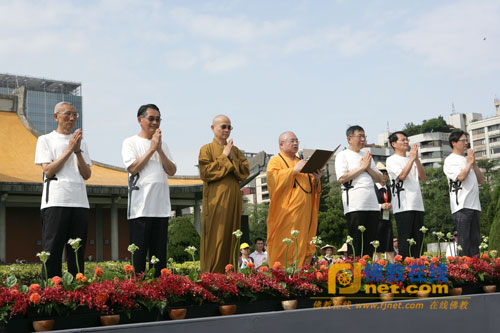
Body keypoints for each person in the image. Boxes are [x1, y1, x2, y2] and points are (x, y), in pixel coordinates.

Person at [34, 102, 91, 278]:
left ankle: (77, 293)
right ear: (56, 116)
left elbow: (87, 173)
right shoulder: (45, 140)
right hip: (56, 201)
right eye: (67, 114)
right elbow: (49, 170)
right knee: (52, 250)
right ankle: (51, 293)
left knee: (77, 252)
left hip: (80, 201)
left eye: (75, 115)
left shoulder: (81, 143)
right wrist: (69, 149)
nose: (72, 118)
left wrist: (78, 151)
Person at [122, 104, 176, 276]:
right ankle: (138, 293)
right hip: (140, 209)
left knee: (159, 258)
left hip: (160, 209)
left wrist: (159, 149)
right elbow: (133, 167)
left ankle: (159, 293)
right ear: (140, 120)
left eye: (158, 119)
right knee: (138, 258)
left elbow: (172, 170)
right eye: (151, 118)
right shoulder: (130, 142)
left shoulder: (164, 145)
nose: (155, 122)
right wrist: (151, 148)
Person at [198, 115, 250, 273]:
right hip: (216, 202)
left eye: (229, 127)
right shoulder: (206, 149)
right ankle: (211, 275)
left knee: (232, 237)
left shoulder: (236, 151)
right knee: (217, 238)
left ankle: (230, 275)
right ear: (213, 128)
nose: (227, 130)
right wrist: (224, 156)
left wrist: (232, 157)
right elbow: (205, 172)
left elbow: (244, 172)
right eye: (223, 127)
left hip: (233, 201)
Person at [266, 131, 321, 268]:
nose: (295, 143)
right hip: (286, 213)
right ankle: (282, 273)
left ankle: (300, 274)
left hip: (304, 213)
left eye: (297, 141)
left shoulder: (301, 162)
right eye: (292, 141)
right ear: (281, 144)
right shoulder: (275, 161)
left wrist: (317, 180)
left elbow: (311, 188)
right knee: (285, 242)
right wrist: (293, 171)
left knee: (302, 241)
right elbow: (273, 180)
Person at [335, 125, 383, 257]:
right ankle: (354, 270)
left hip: (372, 205)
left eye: (364, 136)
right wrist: (362, 168)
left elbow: (380, 178)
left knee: (370, 241)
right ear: (349, 139)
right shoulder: (342, 155)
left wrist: (368, 168)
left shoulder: (366, 156)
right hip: (355, 205)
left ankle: (367, 271)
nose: (363, 139)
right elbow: (342, 178)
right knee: (356, 240)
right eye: (359, 136)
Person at [386, 131, 426, 259]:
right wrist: (411, 159)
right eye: (402, 140)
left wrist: (416, 160)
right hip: (403, 205)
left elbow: (423, 177)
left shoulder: (412, 160)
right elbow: (402, 176)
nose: (406, 142)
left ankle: (419, 268)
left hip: (417, 205)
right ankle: (405, 269)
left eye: (406, 140)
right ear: (394, 144)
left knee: (418, 240)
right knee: (405, 240)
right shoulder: (391, 160)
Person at [443, 130, 484, 257]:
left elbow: (481, 180)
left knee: (475, 242)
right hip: (461, 206)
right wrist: (469, 163)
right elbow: (460, 177)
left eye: (467, 140)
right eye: (463, 140)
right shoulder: (450, 160)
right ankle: (463, 271)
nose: (466, 143)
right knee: (464, 242)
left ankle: (476, 270)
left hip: (475, 205)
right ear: (454, 143)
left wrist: (474, 164)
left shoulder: (468, 160)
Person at [374, 162, 394, 262]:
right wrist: (380, 206)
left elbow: (393, 201)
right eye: (382, 173)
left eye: (386, 173)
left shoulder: (389, 189)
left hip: (387, 219)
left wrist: (390, 205)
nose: (384, 175)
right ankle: (376, 266)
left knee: (389, 244)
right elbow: (369, 203)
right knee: (376, 246)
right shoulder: (373, 188)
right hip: (376, 219)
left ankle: (392, 267)